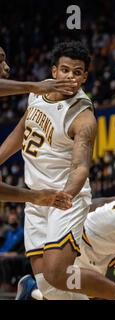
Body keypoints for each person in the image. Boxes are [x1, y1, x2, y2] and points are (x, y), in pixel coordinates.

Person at [0, 41, 115, 301]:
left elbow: (81, 167)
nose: (70, 77)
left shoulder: (83, 116)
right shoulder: (38, 93)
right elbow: (21, 130)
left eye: (77, 72)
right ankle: (34, 289)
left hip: (64, 199)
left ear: (85, 76)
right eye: (65, 70)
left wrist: (65, 195)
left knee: (57, 274)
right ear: (54, 71)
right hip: (36, 198)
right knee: (50, 288)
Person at [0, 46, 74, 209]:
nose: (6, 66)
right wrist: (33, 86)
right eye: (0, 60)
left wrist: (34, 196)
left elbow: (21, 130)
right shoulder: (36, 91)